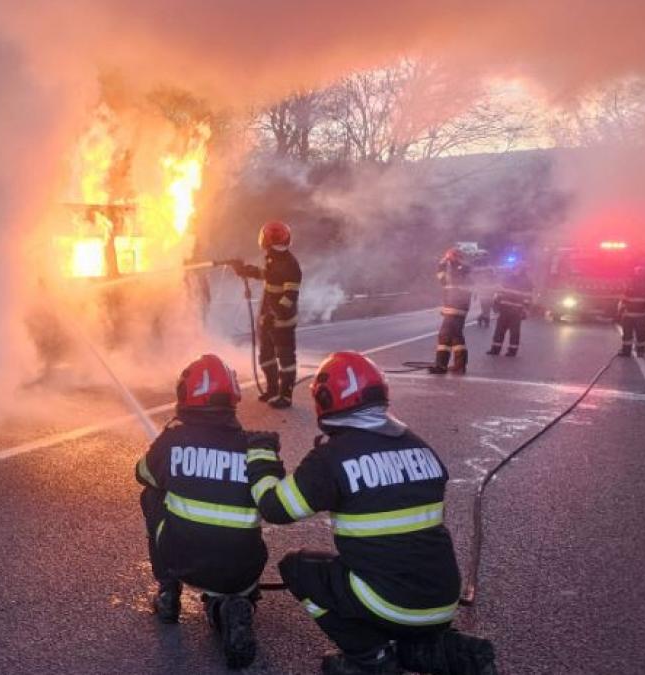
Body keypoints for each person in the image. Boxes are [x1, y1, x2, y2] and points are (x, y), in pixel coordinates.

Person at [247, 352, 497, 675]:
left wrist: (261, 456)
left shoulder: (331, 459)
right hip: (441, 600)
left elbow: (274, 508)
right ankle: (433, 650)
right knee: (384, 584)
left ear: (325, 400)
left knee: (298, 568)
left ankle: (371, 657)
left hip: (389, 603)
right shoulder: (420, 447)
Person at [136, 353, 279, 669]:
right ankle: (231, 607)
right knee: (229, 591)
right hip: (243, 571)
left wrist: (168, 450)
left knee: (151, 495)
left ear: (185, 396)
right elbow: (276, 504)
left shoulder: (173, 440)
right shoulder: (252, 447)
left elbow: (142, 474)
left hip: (183, 562)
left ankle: (168, 593)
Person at [233, 221, 303, 408]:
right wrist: (248, 271)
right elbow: (269, 276)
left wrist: (274, 315)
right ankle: (272, 389)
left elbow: (290, 298)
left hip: (282, 323)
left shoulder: (291, 265)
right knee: (266, 356)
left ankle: (285, 396)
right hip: (268, 319)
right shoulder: (274, 259)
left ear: (266, 240)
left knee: (286, 359)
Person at [430, 248, 473, 375]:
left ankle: (441, 366)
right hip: (457, 307)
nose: (447, 259)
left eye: (449, 256)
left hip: (455, 307)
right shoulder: (463, 269)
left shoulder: (458, 269)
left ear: (455, 256)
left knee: (445, 335)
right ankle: (459, 366)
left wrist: (443, 263)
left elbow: (443, 279)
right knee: (455, 337)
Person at [487, 263, 534, 357]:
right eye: (515, 268)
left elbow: (528, 298)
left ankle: (512, 351)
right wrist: (496, 305)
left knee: (514, 332)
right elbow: (499, 293)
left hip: (516, 311)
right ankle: (495, 349)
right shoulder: (507, 279)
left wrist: (525, 310)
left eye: (518, 268)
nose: (516, 270)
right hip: (504, 309)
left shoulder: (527, 282)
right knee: (499, 330)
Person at [618, 266, 645, 357]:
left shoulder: (631, 285)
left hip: (630, 315)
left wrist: (621, 312)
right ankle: (640, 352)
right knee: (640, 334)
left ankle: (627, 351)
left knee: (628, 335)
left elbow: (624, 299)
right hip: (640, 316)